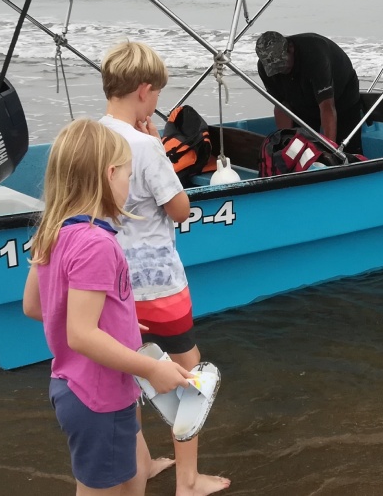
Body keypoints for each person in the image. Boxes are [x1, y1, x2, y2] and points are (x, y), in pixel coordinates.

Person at [21, 118, 194, 496]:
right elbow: (82, 335)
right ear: (109, 173)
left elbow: (36, 305)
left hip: (72, 385)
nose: (128, 185)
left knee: (132, 478)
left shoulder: (54, 230)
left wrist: (117, 323)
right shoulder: (96, 243)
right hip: (99, 395)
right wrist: (153, 368)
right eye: (128, 176)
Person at [98, 40, 231, 496]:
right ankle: (188, 480)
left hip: (113, 283)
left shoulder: (89, 136)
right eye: (156, 94)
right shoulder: (145, 146)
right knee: (189, 375)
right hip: (159, 284)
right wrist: (156, 144)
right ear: (143, 90)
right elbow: (178, 209)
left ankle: (141, 464)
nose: (158, 104)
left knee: (131, 370)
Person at [255, 31, 365, 154]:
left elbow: (327, 107)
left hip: (341, 98)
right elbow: (281, 106)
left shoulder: (315, 55)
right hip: (302, 101)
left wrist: (330, 153)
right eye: (276, 69)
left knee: (345, 150)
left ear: (291, 48)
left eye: (282, 64)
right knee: (299, 150)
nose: (280, 71)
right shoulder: (266, 68)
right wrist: (284, 146)